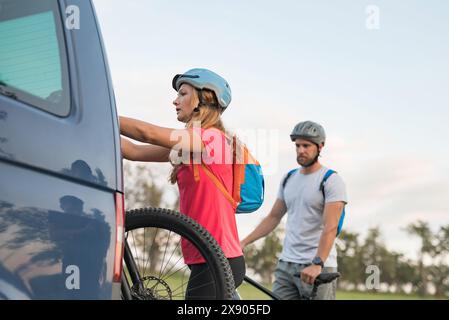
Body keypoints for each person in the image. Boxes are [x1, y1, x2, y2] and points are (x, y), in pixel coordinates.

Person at [119, 68, 245, 299]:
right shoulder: (190, 147)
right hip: (204, 255)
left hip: (218, 256)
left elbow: (147, 133)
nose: (175, 101)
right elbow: (134, 150)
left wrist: (104, 113)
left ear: (204, 98)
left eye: (183, 94)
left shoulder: (212, 140)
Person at [240, 121, 348, 300]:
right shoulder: (289, 178)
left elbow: (331, 226)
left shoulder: (331, 180)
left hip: (317, 266)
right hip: (286, 265)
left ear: (320, 147)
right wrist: (243, 242)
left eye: (306, 145)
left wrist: (317, 263)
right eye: (297, 145)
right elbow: (273, 217)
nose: (300, 150)